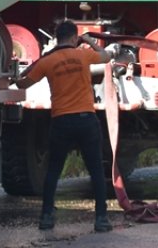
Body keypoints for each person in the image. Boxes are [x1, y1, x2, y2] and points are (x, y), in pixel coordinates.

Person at [13, 21, 115, 233]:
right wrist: (88, 41)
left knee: (53, 171)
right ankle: (101, 219)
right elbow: (106, 57)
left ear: (57, 38)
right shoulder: (83, 56)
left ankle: (47, 217)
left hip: (61, 122)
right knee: (96, 170)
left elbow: (22, 84)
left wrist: (18, 73)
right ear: (73, 38)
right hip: (87, 120)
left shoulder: (48, 61)